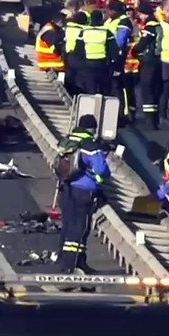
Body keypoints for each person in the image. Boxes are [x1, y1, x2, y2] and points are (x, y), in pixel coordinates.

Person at [54, 114, 110, 273]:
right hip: (84, 192)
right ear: (92, 129)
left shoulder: (66, 141)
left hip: (66, 189)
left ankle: (66, 260)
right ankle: (72, 266)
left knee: (68, 225)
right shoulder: (90, 145)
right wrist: (100, 181)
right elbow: (101, 169)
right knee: (80, 228)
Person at [75, 9, 116, 95]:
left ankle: (91, 106)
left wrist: (80, 64)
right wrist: (113, 64)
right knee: (104, 89)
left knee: (90, 90)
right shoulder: (106, 32)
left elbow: (78, 50)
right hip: (103, 64)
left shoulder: (84, 32)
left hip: (88, 64)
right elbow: (113, 50)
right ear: (101, 19)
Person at [104, 0, 133, 110]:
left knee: (117, 86)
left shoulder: (124, 23)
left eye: (110, 11)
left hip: (118, 59)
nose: (108, 13)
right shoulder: (110, 21)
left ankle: (122, 112)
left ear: (115, 11)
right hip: (108, 58)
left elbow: (120, 41)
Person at [63, 11, 88, 96]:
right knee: (78, 80)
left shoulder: (68, 28)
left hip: (68, 54)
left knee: (69, 77)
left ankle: (68, 93)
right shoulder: (84, 30)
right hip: (79, 56)